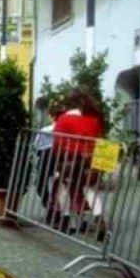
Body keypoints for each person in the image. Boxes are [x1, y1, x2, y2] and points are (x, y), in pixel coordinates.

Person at [51, 89, 106, 238]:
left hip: (69, 160)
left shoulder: (64, 119)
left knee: (63, 186)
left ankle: (67, 220)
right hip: (90, 160)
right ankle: (99, 218)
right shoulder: (93, 119)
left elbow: (57, 143)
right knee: (89, 189)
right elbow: (99, 140)